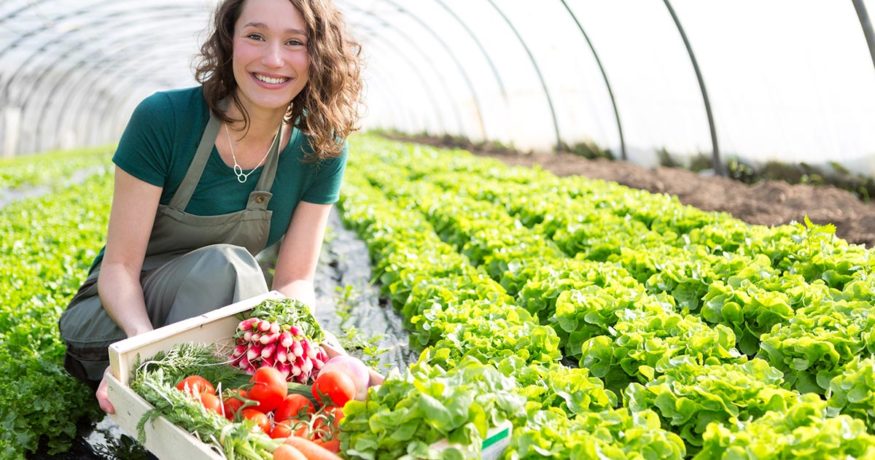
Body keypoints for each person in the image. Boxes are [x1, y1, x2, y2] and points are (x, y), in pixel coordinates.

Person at [58, 0, 367, 414]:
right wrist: (142, 352)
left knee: (252, 304)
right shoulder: (165, 119)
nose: (273, 59)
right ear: (229, 41)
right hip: (118, 318)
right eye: (255, 36)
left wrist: (313, 347)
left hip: (215, 321)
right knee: (230, 268)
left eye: (296, 42)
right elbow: (118, 270)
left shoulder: (321, 146)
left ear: (320, 56)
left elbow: (294, 280)